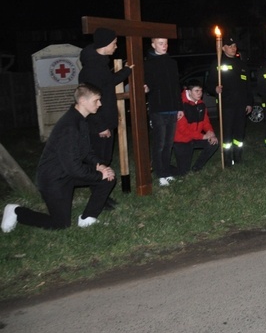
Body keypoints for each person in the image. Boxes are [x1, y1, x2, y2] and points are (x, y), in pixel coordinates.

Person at [2, 84, 116, 232]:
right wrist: (98, 174)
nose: (100, 104)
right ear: (82, 101)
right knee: (60, 224)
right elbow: (73, 168)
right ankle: (16, 212)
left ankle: (87, 218)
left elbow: (86, 152)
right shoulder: (70, 127)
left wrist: (99, 165)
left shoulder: (81, 120)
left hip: (68, 173)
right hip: (53, 179)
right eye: (96, 100)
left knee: (108, 178)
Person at [78, 27, 132, 209]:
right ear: (105, 44)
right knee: (98, 161)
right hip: (98, 125)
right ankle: (99, 198)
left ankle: (101, 194)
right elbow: (89, 102)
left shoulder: (99, 64)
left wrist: (125, 72)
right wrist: (100, 126)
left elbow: (107, 83)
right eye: (114, 43)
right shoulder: (90, 70)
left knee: (105, 160)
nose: (116, 47)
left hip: (106, 121)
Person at [206, 35, 254, 166]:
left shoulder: (242, 65)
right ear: (223, 48)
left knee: (239, 132)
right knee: (227, 133)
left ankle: (237, 157)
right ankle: (227, 159)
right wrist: (215, 89)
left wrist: (249, 103)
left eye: (234, 46)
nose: (233, 48)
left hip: (241, 105)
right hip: (226, 105)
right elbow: (209, 83)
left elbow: (248, 87)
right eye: (230, 46)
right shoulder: (218, 63)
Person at [144, 38, 183, 186]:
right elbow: (147, 84)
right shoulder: (148, 64)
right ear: (153, 44)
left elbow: (176, 85)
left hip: (172, 108)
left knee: (168, 143)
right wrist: (145, 88)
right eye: (161, 43)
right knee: (159, 143)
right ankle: (160, 173)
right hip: (158, 108)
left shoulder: (172, 63)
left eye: (166, 43)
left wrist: (179, 107)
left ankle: (166, 170)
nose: (164, 46)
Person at [173, 79, 219, 175]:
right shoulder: (181, 105)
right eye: (197, 91)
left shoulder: (201, 104)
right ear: (189, 91)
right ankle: (160, 166)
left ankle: (197, 167)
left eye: (201, 91)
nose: (200, 93)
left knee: (213, 142)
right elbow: (182, 129)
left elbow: (205, 122)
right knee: (183, 172)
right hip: (182, 141)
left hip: (194, 138)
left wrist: (211, 133)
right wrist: (202, 136)